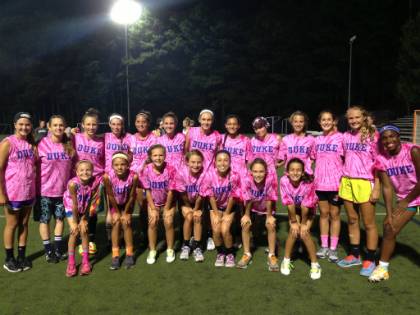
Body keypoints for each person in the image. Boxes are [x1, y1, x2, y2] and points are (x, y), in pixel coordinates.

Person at [369, 125, 420, 282]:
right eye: (384, 138)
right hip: (409, 197)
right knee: (389, 226)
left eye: (392, 136)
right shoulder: (382, 159)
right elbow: (386, 188)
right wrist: (389, 214)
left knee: (390, 228)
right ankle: (383, 268)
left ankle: (382, 265)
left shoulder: (412, 151)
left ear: (398, 137)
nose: (389, 140)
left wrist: (405, 201)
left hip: (411, 196)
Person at [337, 105, 380, 277]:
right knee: (353, 220)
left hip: (365, 182)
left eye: (357, 117)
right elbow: (341, 158)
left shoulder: (372, 136)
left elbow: (380, 164)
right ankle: (354, 254)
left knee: (368, 223)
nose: (353, 121)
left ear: (363, 117)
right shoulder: (346, 136)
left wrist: (376, 187)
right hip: (347, 181)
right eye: (350, 118)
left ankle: (370, 258)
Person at [35, 115, 74, 263]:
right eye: (55, 125)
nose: (58, 128)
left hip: (63, 192)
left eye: (61, 125)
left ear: (64, 127)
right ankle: (48, 251)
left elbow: (71, 169)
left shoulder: (68, 145)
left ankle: (57, 249)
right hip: (44, 191)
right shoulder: (40, 144)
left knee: (59, 219)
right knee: (45, 220)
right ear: (49, 127)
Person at [0, 112, 36, 272]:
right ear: (15, 125)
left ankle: (21, 256)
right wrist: (1, 193)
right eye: (21, 124)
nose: (24, 127)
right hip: (12, 192)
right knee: (12, 224)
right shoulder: (8, 142)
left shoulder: (31, 144)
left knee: (24, 224)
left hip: (28, 192)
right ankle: (9, 258)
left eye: (27, 124)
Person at [185, 109, 222, 251]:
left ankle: (209, 235)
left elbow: (219, 154)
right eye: (204, 119)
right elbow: (186, 151)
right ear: (200, 120)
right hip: (194, 173)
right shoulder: (192, 132)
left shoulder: (216, 135)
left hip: (209, 175)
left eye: (209, 120)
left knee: (207, 207)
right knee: (192, 206)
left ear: (212, 121)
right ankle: (191, 235)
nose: (206, 122)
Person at [279, 158, 321, 280]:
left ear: (303, 172)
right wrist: (293, 222)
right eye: (292, 170)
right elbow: (289, 203)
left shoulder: (308, 183)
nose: (295, 172)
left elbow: (305, 206)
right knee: (293, 231)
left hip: (308, 209)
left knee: (304, 233)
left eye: (298, 170)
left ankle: (315, 264)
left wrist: (303, 224)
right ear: (287, 172)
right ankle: (286, 260)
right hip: (294, 209)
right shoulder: (284, 181)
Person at [311, 110, 344, 262]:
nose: (326, 122)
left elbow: (346, 159)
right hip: (319, 183)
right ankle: (324, 246)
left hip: (336, 184)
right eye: (323, 120)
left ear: (334, 121)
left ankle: (333, 248)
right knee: (323, 214)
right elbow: (310, 158)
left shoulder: (340, 138)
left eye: (329, 119)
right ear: (319, 122)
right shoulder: (316, 140)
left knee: (335, 215)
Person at [237, 158, 279, 271]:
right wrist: (247, 215)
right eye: (255, 171)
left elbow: (270, 198)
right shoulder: (247, 180)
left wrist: (269, 215)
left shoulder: (270, 179)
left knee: (271, 225)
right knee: (245, 223)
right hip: (253, 208)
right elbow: (249, 199)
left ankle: (272, 255)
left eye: (261, 171)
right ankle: (247, 254)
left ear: (266, 171)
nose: (258, 174)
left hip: (266, 207)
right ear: (251, 172)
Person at [73, 108, 105, 254]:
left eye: (94, 124)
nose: (91, 127)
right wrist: (69, 131)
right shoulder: (75, 137)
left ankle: (90, 240)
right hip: (79, 181)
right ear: (82, 124)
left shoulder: (101, 141)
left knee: (92, 213)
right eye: (88, 124)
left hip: (96, 180)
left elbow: (105, 160)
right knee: (79, 210)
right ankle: (80, 239)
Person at [202, 150, 242, 268]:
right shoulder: (209, 175)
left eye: (226, 160)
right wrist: (216, 213)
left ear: (230, 162)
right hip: (215, 206)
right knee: (216, 229)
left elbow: (233, 196)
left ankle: (230, 253)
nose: (222, 163)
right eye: (219, 160)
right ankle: (220, 253)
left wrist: (226, 214)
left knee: (224, 230)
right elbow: (210, 196)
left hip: (229, 206)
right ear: (215, 162)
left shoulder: (234, 175)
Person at [63, 160, 101, 277]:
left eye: (88, 170)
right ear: (77, 172)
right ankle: (71, 263)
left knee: (84, 231)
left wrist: (84, 219)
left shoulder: (95, 182)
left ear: (92, 171)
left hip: (84, 206)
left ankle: (85, 261)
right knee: (74, 232)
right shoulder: (73, 184)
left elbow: (90, 201)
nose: (85, 172)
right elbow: (74, 205)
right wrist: (75, 222)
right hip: (71, 207)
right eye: (82, 170)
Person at [142, 144, 176, 264]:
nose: (158, 158)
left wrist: (166, 208)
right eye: (155, 155)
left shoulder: (171, 169)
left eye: (161, 155)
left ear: (165, 155)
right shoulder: (146, 169)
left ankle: (170, 249)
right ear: (150, 157)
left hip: (168, 202)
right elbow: (147, 190)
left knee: (168, 221)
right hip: (154, 202)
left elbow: (171, 191)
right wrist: (153, 208)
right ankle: (152, 250)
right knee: (152, 222)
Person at [103, 152, 138, 270]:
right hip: (115, 204)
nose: (120, 167)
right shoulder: (107, 177)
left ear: (128, 165)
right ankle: (115, 255)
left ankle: (129, 253)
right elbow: (111, 196)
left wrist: (126, 213)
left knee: (126, 223)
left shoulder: (133, 176)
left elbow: (132, 196)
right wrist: (118, 212)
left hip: (128, 203)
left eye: (123, 164)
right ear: (112, 166)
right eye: (116, 164)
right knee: (116, 222)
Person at [104, 113, 131, 250]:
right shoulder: (105, 137)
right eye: (113, 124)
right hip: (110, 179)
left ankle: (123, 237)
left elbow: (136, 148)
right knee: (111, 211)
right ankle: (111, 239)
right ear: (109, 125)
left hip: (124, 178)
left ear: (123, 125)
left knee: (124, 208)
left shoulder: (129, 138)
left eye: (119, 124)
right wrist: (71, 132)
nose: (116, 126)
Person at [174, 150, 206, 262]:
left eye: (198, 162)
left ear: (202, 163)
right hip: (185, 201)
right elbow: (182, 194)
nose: (196, 165)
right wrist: (189, 208)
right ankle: (186, 245)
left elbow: (201, 196)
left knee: (197, 217)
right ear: (187, 162)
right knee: (188, 217)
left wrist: (196, 209)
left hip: (199, 202)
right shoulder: (181, 173)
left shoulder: (205, 174)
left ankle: (197, 246)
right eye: (193, 162)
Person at [278, 111, 314, 175]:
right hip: (290, 175)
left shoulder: (311, 139)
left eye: (301, 122)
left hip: (305, 175)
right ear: (292, 123)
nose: (298, 124)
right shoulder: (286, 139)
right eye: (295, 121)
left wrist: (308, 166)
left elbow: (314, 157)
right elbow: (282, 159)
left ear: (304, 123)